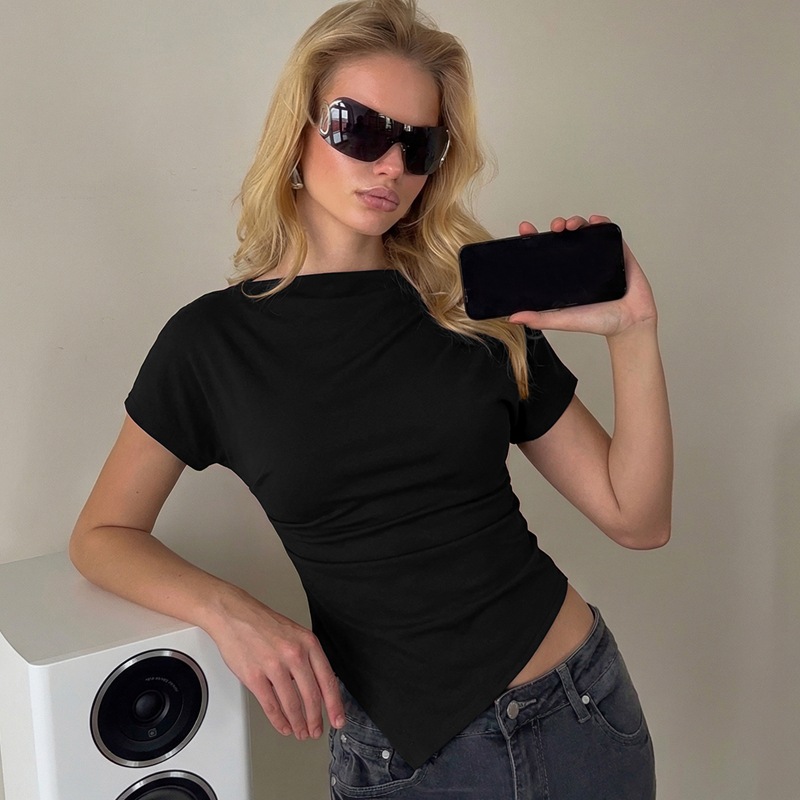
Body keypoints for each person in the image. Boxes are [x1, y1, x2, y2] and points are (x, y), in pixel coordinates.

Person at [69, 0, 672, 797]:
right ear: (299, 130)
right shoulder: (211, 344)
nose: (390, 165)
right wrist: (229, 610)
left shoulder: (469, 307)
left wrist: (634, 334)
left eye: (418, 145)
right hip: (401, 763)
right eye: (359, 129)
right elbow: (102, 535)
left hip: (577, 718)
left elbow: (638, 518)